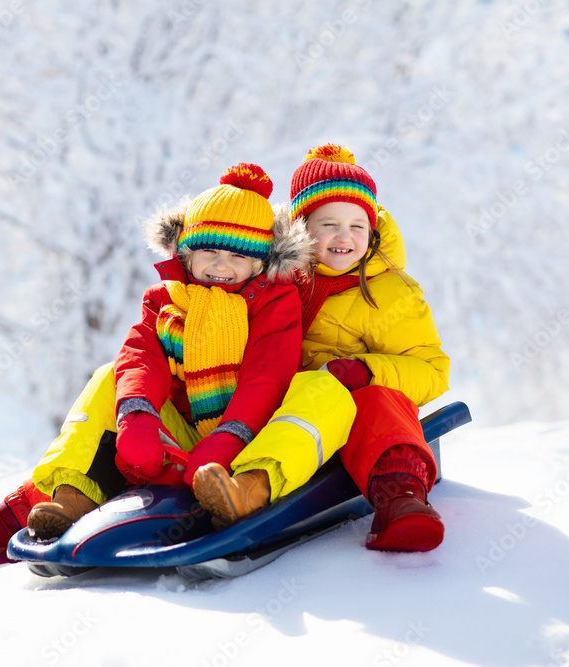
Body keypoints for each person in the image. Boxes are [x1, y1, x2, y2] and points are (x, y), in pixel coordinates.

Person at [0, 162, 342, 557]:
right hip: (184, 446)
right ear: (185, 253)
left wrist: (229, 438)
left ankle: (248, 490)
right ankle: (72, 498)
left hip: (249, 440)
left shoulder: (274, 302)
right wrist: (137, 416)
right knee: (108, 377)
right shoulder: (164, 300)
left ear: (259, 263)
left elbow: (266, 377)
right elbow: (140, 356)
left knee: (321, 389)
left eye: (238, 256)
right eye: (210, 251)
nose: (221, 265)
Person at [191, 144, 451, 552]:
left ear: (373, 231)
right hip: (265, 404)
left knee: (373, 402)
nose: (344, 236)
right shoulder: (273, 276)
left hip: (345, 415)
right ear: (300, 228)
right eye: (328, 224)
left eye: (357, 225)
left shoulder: (390, 293)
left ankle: (401, 500)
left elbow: (431, 371)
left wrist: (364, 371)